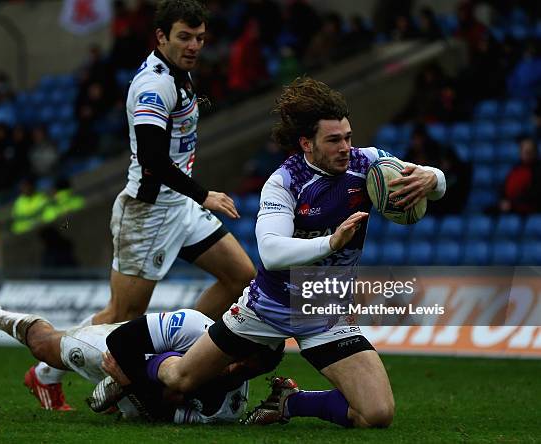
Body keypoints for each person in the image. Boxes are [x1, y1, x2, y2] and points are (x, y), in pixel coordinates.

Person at [116, 77, 445, 428]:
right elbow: (271, 252)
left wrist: (432, 178)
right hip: (267, 309)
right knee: (179, 379)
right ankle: (134, 369)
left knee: (377, 414)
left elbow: (434, 184)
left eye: (348, 137)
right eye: (333, 140)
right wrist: (330, 243)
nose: (345, 147)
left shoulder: (370, 165)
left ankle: (290, 401)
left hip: (326, 313)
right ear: (307, 143)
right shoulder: (284, 181)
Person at [30, 0, 256, 411]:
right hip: (148, 213)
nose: (193, 46)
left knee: (241, 277)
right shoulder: (154, 84)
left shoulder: (181, 73)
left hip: (181, 209)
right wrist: (204, 193)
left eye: (200, 38)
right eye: (184, 37)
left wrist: (193, 199)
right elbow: (152, 160)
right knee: (121, 315)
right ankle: (46, 372)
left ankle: (187, 349)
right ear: (161, 37)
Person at [0, 300, 280, 424]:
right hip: (119, 354)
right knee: (44, 345)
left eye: (247, 370)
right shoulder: (193, 326)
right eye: (236, 358)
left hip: (134, 384)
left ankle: (45, 377)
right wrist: (135, 380)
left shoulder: (226, 409)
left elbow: (161, 419)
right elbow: (121, 343)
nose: (234, 368)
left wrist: (130, 386)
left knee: (120, 403)